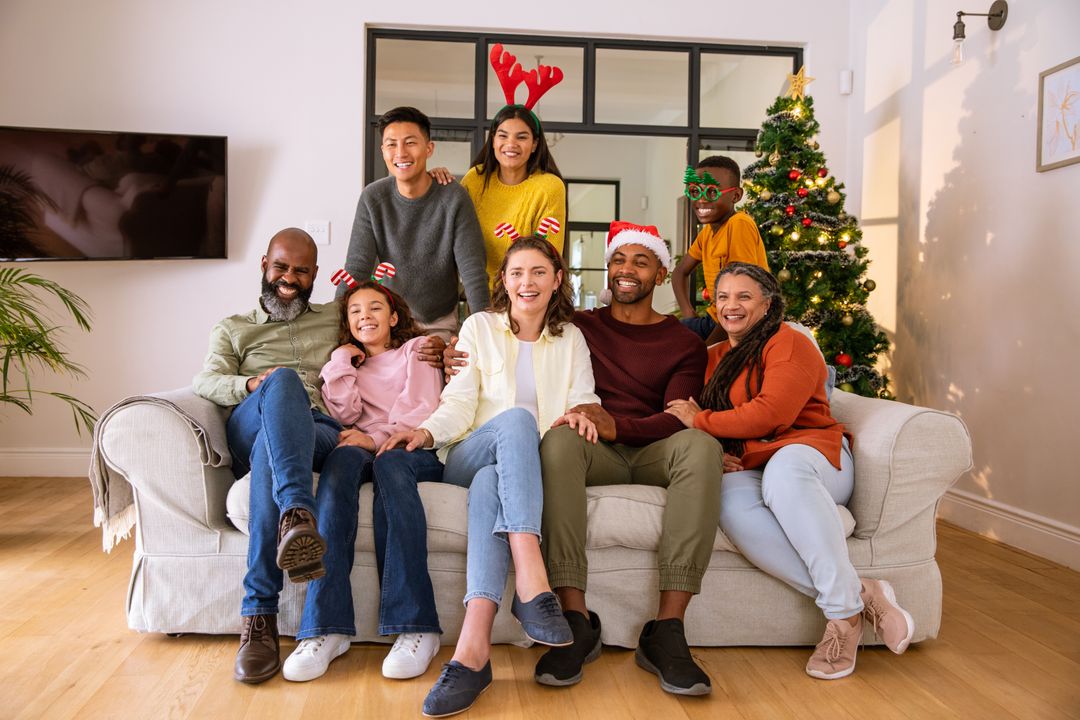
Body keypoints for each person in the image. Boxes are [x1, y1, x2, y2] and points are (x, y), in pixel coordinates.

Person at [446, 221, 724, 697]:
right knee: (558, 440)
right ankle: (575, 615)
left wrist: (622, 426)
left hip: (651, 448)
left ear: (661, 274)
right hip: (596, 449)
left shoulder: (684, 343)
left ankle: (668, 632)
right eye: (619, 259)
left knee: (702, 446)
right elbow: (519, 328)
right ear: (606, 268)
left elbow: (679, 418)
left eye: (641, 261)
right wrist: (441, 351)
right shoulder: (579, 327)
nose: (627, 269)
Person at [381, 234, 598, 718]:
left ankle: (472, 651)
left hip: (522, 469)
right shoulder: (479, 327)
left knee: (490, 487)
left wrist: (585, 413)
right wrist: (425, 431)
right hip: (469, 453)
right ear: (503, 280)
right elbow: (459, 401)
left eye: (539, 272)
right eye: (517, 272)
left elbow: (585, 396)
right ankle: (531, 577)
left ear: (558, 280)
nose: (528, 282)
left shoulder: (572, 338)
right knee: (515, 423)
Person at [665, 262, 914, 680]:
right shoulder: (712, 358)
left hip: (813, 455)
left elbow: (769, 414)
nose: (731, 306)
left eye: (744, 297)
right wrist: (712, 447)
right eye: (723, 297)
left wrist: (702, 423)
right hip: (749, 462)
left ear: (767, 304)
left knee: (784, 471)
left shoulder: (789, 342)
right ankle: (860, 594)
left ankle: (842, 619)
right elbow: (682, 412)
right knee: (725, 503)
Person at [192, 228, 359, 684]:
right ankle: (297, 513)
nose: (289, 277)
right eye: (281, 267)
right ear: (264, 264)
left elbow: (389, 332)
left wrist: (437, 351)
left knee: (275, 445)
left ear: (315, 276)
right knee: (280, 383)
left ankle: (258, 618)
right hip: (253, 421)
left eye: (301, 271)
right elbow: (204, 382)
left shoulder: (337, 318)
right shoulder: (232, 327)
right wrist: (250, 384)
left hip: (318, 432)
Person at [316, 278, 445, 681]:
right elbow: (343, 416)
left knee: (389, 463)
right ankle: (327, 628)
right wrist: (340, 361)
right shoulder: (348, 364)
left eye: (374, 308)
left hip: (412, 450)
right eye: (355, 311)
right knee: (338, 464)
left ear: (393, 316)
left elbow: (419, 412)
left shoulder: (415, 351)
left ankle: (416, 626)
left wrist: (373, 440)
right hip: (365, 445)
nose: (364, 316)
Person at [341, 106, 490, 340]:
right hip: (388, 320)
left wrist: (484, 332)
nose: (400, 152)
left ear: (429, 148)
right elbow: (357, 268)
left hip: (438, 320)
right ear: (383, 151)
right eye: (391, 144)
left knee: (429, 372)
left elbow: (472, 271)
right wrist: (335, 330)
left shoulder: (453, 197)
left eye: (410, 142)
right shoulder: (373, 198)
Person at [431, 107, 565, 282]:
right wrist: (432, 181)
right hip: (479, 292)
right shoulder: (475, 179)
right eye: (503, 135)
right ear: (493, 140)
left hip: (526, 293)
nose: (511, 144)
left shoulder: (550, 187)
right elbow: (450, 228)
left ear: (534, 144)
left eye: (522, 137)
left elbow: (548, 256)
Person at [671, 156, 769, 342]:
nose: (701, 200)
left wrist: (708, 351)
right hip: (715, 320)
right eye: (695, 191)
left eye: (711, 192)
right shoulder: (707, 233)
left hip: (744, 322)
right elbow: (679, 273)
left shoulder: (739, 224)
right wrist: (689, 315)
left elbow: (740, 301)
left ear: (736, 195)